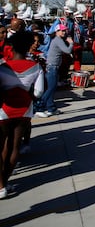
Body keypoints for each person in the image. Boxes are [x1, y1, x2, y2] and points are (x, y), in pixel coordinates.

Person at [0, 31, 45, 199]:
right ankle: (5, 182)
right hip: (25, 110)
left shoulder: (3, 66)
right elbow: (39, 92)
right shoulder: (36, 66)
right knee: (14, 146)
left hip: (4, 109)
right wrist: (29, 96)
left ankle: (1, 185)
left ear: (12, 47)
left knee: (2, 146)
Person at [35, 19, 72, 117]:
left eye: (65, 31)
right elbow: (67, 51)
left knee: (52, 87)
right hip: (52, 67)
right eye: (62, 31)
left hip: (53, 67)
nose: (64, 32)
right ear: (57, 31)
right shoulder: (58, 40)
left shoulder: (56, 39)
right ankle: (39, 108)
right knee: (50, 88)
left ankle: (51, 108)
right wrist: (71, 43)